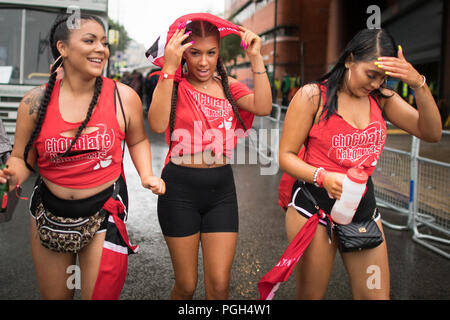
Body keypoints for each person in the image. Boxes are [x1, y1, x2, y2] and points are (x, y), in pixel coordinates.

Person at [0, 13, 165, 300]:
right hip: (48, 213)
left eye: (103, 42)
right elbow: (22, 159)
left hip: (104, 213)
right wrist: (9, 177)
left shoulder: (123, 97)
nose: (101, 49)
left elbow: (137, 139)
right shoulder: (34, 102)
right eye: (89, 41)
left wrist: (147, 174)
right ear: (62, 48)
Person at [277, 28, 441, 300]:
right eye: (371, 74)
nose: (376, 84)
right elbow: (286, 155)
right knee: (311, 296)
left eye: (383, 78)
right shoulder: (312, 96)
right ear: (350, 59)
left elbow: (432, 132)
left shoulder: (382, 100)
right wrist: (323, 177)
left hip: (362, 210)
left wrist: (418, 83)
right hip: (314, 210)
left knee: (376, 296)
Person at [147, 13, 272, 299]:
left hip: (221, 190)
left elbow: (263, 106)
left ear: (219, 52)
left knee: (219, 285)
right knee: (187, 285)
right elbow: (155, 124)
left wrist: (256, 58)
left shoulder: (228, 88)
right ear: (183, 54)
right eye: (195, 53)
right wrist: (168, 67)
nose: (203, 62)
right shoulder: (174, 84)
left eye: (211, 53)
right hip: (179, 189)